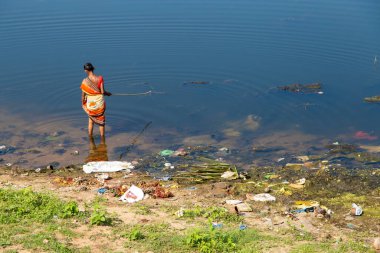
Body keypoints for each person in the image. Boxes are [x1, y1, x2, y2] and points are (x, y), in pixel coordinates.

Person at [80, 63, 111, 137]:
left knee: (91, 121)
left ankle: (90, 137)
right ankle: (102, 140)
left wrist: (83, 103)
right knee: (101, 123)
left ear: (85, 70)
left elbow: (83, 95)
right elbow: (103, 92)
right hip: (99, 105)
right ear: (93, 68)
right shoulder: (100, 78)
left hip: (90, 105)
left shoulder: (84, 81)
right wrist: (108, 93)